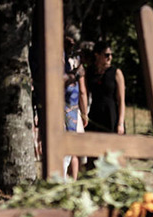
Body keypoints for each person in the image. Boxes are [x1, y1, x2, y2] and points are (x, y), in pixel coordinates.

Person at [63, 25, 88, 179]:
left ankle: (74, 181)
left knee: (75, 150)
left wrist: (84, 113)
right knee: (67, 149)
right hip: (61, 108)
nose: (71, 46)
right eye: (69, 42)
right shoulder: (57, 58)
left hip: (73, 109)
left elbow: (83, 91)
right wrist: (75, 75)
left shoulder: (75, 60)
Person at [85, 41, 125, 135]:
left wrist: (120, 123)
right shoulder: (90, 72)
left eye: (111, 55)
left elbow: (121, 100)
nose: (109, 57)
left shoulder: (116, 73)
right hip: (95, 114)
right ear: (97, 55)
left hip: (111, 115)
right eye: (106, 55)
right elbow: (85, 94)